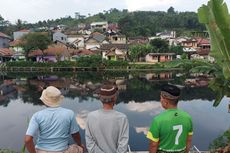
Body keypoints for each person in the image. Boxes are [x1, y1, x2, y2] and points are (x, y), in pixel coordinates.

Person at [24, 86, 84, 153]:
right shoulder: (69, 113)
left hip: (41, 151)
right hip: (62, 151)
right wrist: (80, 145)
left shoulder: (37, 116)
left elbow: (27, 140)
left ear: (44, 101)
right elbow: (75, 135)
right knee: (80, 148)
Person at [147, 84, 193, 153]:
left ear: (165, 102)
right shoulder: (188, 117)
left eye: (161, 98)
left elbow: (153, 145)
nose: (160, 100)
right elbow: (188, 140)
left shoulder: (158, 120)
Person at [85, 84, 129, 153]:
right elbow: (123, 145)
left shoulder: (91, 116)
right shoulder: (122, 118)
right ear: (114, 98)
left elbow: (90, 143)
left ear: (100, 99)